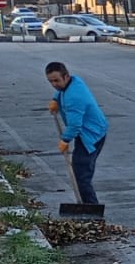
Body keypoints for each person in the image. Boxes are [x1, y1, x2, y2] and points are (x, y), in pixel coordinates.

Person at [44, 61, 108, 206]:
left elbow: (75, 125)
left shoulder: (74, 98)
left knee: (81, 174)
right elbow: (61, 91)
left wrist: (65, 140)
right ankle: (87, 204)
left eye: (56, 80)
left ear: (66, 76)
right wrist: (56, 99)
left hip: (92, 135)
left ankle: (91, 208)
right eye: (51, 81)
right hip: (91, 130)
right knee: (79, 170)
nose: (54, 84)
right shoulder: (74, 81)